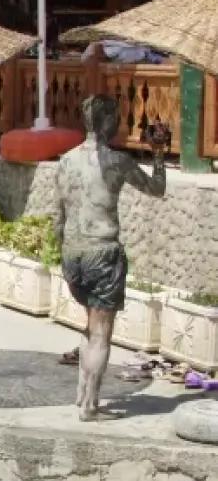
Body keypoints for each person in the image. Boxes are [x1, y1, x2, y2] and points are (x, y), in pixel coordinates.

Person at [53, 94, 166, 422]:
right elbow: (156, 188)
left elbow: (58, 217)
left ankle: (81, 394)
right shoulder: (117, 161)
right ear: (105, 121)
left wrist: (63, 252)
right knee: (102, 333)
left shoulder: (65, 160)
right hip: (102, 254)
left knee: (90, 326)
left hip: (72, 253)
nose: (118, 122)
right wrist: (158, 153)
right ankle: (90, 405)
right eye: (115, 117)